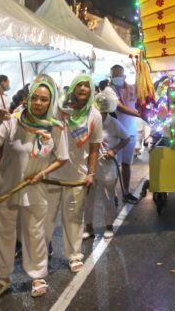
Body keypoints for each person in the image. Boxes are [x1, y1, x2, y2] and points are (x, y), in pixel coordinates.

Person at [0, 79, 68, 300]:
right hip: (6, 189)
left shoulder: (56, 127)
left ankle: (38, 275)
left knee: (35, 233)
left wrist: (43, 173)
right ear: (27, 99)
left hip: (35, 189)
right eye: (34, 98)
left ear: (50, 102)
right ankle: (2, 277)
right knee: (3, 233)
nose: (38, 103)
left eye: (44, 99)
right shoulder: (13, 121)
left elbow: (62, 158)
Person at [45, 74, 102, 272]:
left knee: (74, 219)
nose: (83, 88)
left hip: (77, 175)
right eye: (80, 84)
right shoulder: (58, 109)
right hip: (51, 173)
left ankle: (74, 255)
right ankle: (42, 251)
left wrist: (91, 173)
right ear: (73, 88)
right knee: (45, 218)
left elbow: (94, 147)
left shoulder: (94, 115)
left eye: (87, 85)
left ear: (91, 90)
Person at [84, 94, 132, 239]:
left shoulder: (113, 123)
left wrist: (114, 150)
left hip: (108, 166)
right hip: (90, 165)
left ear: (107, 111)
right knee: (88, 197)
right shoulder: (88, 122)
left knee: (107, 197)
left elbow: (126, 138)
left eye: (102, 112)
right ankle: (89, 227)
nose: (100, 114)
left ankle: (109, 226)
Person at [101, 65, 142, 204]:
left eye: (120, 75)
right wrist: (138, 114)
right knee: (115, 165)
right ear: (110, 77)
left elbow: (142, 97)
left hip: (130, 131)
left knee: (126, 164)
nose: (117, 79)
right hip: (116, 132)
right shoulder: (109, 90)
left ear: (125, 76)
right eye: (114, 76)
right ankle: (113, 195)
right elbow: (119, 107)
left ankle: (126, 192)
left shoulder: (131, 88)